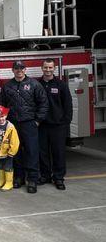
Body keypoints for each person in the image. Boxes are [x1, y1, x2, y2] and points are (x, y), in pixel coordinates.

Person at [0, 60, 48, 194]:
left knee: (32, 151)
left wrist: (37, 121)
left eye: (21, 68)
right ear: (12, 70)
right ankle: (18, 177)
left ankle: (32, 180)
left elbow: (43, 103)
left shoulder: (34, 84)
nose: (19, 70)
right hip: (13, 125)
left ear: (25, 70)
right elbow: (2, 105)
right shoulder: (7, 86)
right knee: (15, 152)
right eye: (16, 68)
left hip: (29, 123)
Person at [38, 58, 73, 190]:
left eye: (50, 68)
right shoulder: (37, 84)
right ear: (42, 68)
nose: (48, 70)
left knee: (58, 153)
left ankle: (58, 178)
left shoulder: (61, 84)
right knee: (43, 153)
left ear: (54, 69)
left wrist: (66, 121)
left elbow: (68, 104)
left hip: (58, 126)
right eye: (45, 67)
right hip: (42, 125)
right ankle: (45, 176)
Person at [0, 106, 20, 191]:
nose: (1, 119)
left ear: (6, 115)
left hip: (7, 152)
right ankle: (2, 181)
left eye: (2, 116)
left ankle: (9, 182)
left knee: (8, 167)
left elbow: (15, 141)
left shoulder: (10, 127)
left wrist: (11, 152)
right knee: (0, 166)